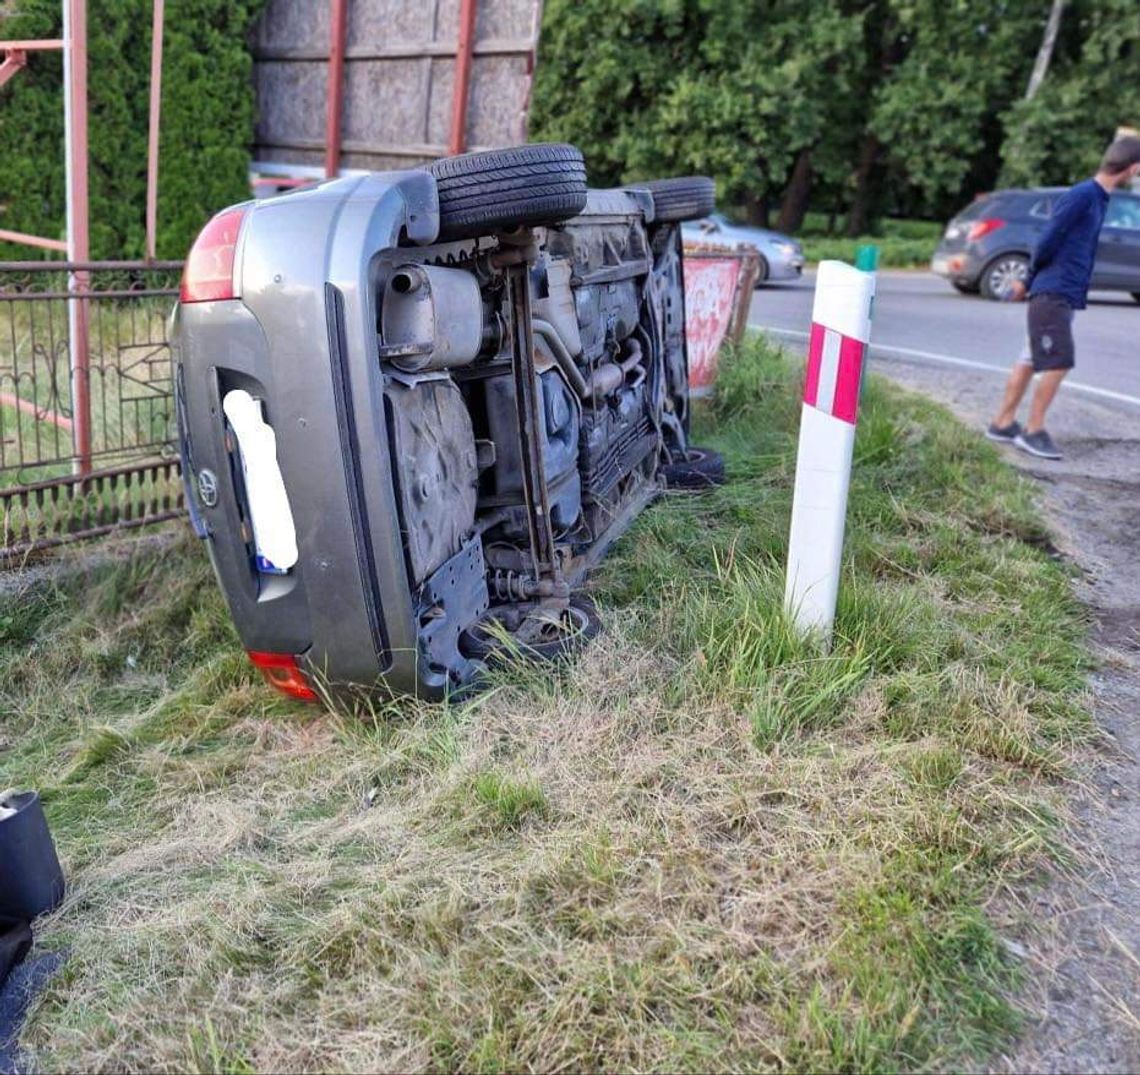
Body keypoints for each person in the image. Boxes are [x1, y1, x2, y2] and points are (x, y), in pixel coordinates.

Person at [987, 135, 1140, 460]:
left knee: (1030, 358)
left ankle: (1002, 424)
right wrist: (1027, 279)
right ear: (1132, 168)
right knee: (1058, 361)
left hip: (1063, 293)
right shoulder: (1084, 195)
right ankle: (1033, 431)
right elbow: (1047, 239)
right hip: (1052, 292)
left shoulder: (1098, 198)